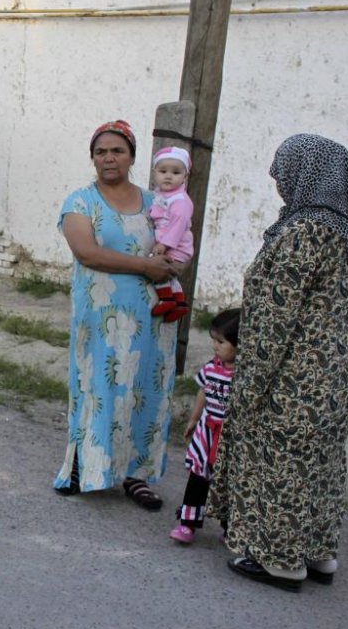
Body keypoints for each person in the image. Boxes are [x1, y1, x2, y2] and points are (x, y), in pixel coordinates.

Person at [210, 134, 348, 592]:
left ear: (306, 174)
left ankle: (280, 562)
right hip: (338, 370)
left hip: (295, 372)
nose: (278, 181)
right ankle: (319, 554)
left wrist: (251, 385)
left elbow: (274, 317)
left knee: (281, 460)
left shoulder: (304, 232)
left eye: (283, 172)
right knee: (321, 459)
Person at [54, 120, 179, 510]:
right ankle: (84, 466)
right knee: (98, 386)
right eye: (101, 152)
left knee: (145, 391)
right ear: (92, 158)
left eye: (117, 151)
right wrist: (145, 266)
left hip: (152, 317)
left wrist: (172, 263)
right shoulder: (80, 202)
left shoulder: (156, 203)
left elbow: (177, 243)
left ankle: (137, 476)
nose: (109, 158)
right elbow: (87, 253)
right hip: (101, 318)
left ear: (132, 157)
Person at [169, 308, 240, 544]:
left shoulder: (244, 376)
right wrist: (193, 419)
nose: (215, 346)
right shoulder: (211, 368)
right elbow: (203, 392)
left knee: (229, 483)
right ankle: (187, 523)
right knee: (198, 478)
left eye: (221, 342)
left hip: (229, 437)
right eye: (214, 340)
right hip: (206, 433)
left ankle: (231, 529)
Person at [149, 146, 194, 322]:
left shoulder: (180, 200)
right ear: (155, 172)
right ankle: (179, 302)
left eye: (176, 172)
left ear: (185, 176)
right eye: (163, 171)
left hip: (176, 247)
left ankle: (166, 298)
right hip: (169, 245)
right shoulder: (160, 195)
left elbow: (178, 225)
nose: (168, 176)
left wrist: (163, 244)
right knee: (170, 275)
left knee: (157, 269)